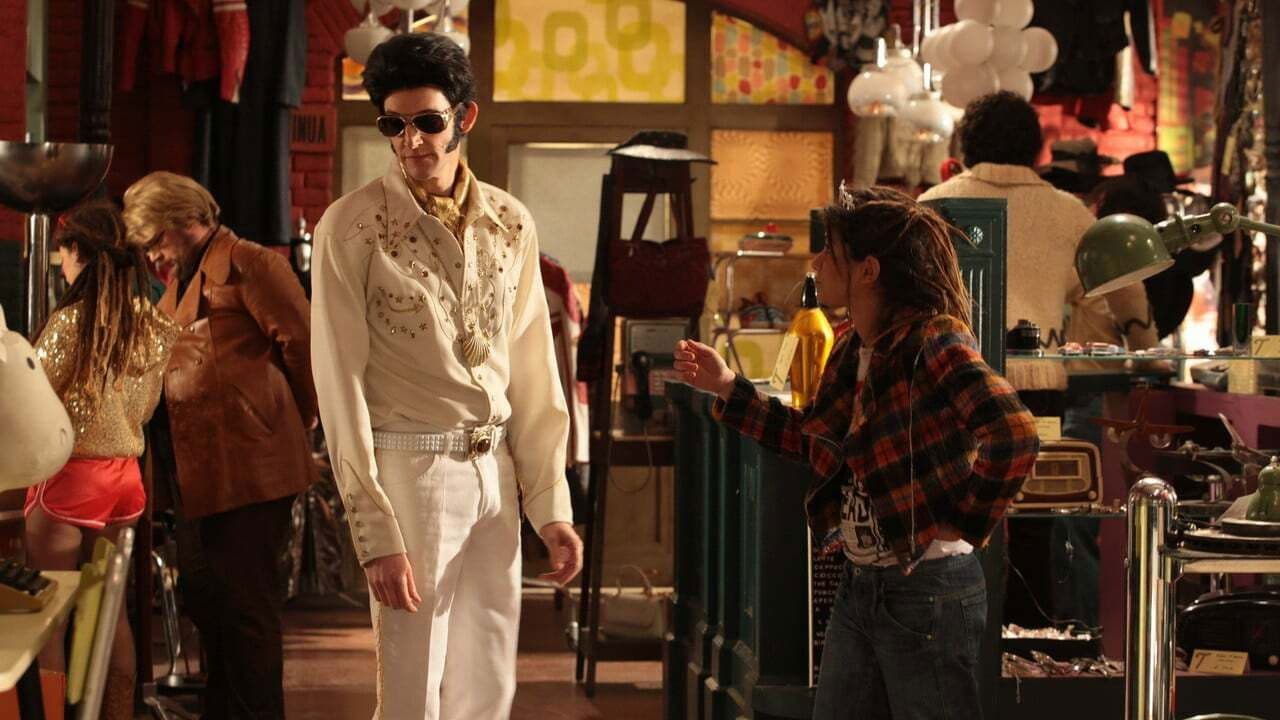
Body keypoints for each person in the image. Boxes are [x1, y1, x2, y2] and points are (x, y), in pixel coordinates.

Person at [673, 186, 1039, 720]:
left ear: (868, 271)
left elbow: (1015, 433)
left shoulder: (934, 341)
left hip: (927, 589)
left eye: (831, 252)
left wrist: (964, 521)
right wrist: (728, 386)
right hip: (861, 583)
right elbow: (812, 439)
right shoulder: (851, 345)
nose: (816, 263)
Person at [310, 33, 583, 719]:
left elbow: (533, 369)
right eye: (393, 126)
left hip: (497, 469)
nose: (411, 142)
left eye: (428, 122)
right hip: (412, 469)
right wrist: (375, 531)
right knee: (411, 685)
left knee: (488, 682)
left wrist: (551, 506)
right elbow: (339, 383)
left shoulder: (510, 222)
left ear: (465, 117)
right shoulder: (351, 227)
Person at [122, 171, 317, 720]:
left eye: (156, 240)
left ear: (186, 220)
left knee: (247, 616)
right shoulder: (185, 278)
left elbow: (305, 348)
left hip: (249, 470)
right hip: (199, 472)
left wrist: (295, 421)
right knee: (210, 608)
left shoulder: (251, 264)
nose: (153, 256)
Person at [23, 201, 178, 720]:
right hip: (125, 483)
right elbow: (148, 407)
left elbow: (33, 400)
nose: (61, 267)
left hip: (72, 482)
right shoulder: (153, 325)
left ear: (78, 252)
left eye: (63, 256)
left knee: (50, 617)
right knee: (111, 614)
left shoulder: (71, 323)